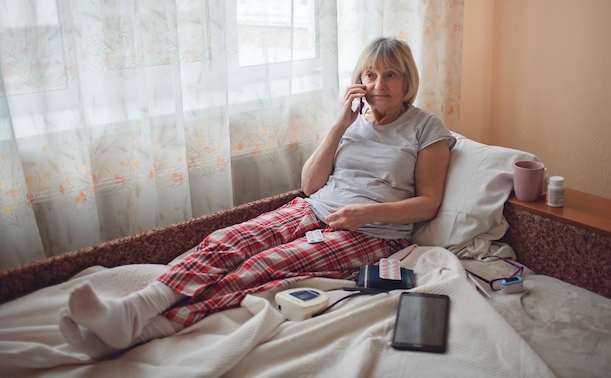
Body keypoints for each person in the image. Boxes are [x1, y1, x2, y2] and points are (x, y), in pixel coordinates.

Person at [58, 36, 456, 359]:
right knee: (228, 241)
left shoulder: (425, 127)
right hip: (315, 209)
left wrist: (366, 213)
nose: (378, 86)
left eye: (390, 75)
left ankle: (142, 331)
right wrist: (340, 123)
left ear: (407, 82)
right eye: (369, 75)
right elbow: (309, 185)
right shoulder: (352, 120)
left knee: (262, 266)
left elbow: (429, 202)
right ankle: (133, 309)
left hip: (373, 233)